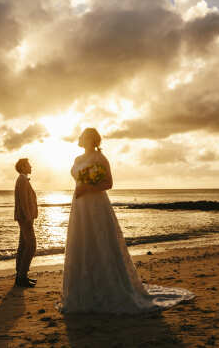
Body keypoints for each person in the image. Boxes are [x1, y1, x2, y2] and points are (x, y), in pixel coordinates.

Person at [58, 128, 194, 313]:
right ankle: (82, 291)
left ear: (90, 139)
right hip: (80, 206)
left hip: (95, 204)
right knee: (82, 241)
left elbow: (108, 184)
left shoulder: (100, 159)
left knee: (100, 242)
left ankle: (107, 287)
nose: (80, 138)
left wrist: (88, 187)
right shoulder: (77, 159)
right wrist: (83, 188)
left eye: (83, 136)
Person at [14, 158, 38, 288]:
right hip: (25, 218)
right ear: (23, 167)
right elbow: (23, 201)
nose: (31, 167)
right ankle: (21, 276)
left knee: (23, 245)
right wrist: (28, 217)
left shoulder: (22, 179)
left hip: (24, 217)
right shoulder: (22, 180)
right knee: (31, 245)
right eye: (29, 165)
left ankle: (20, 276)